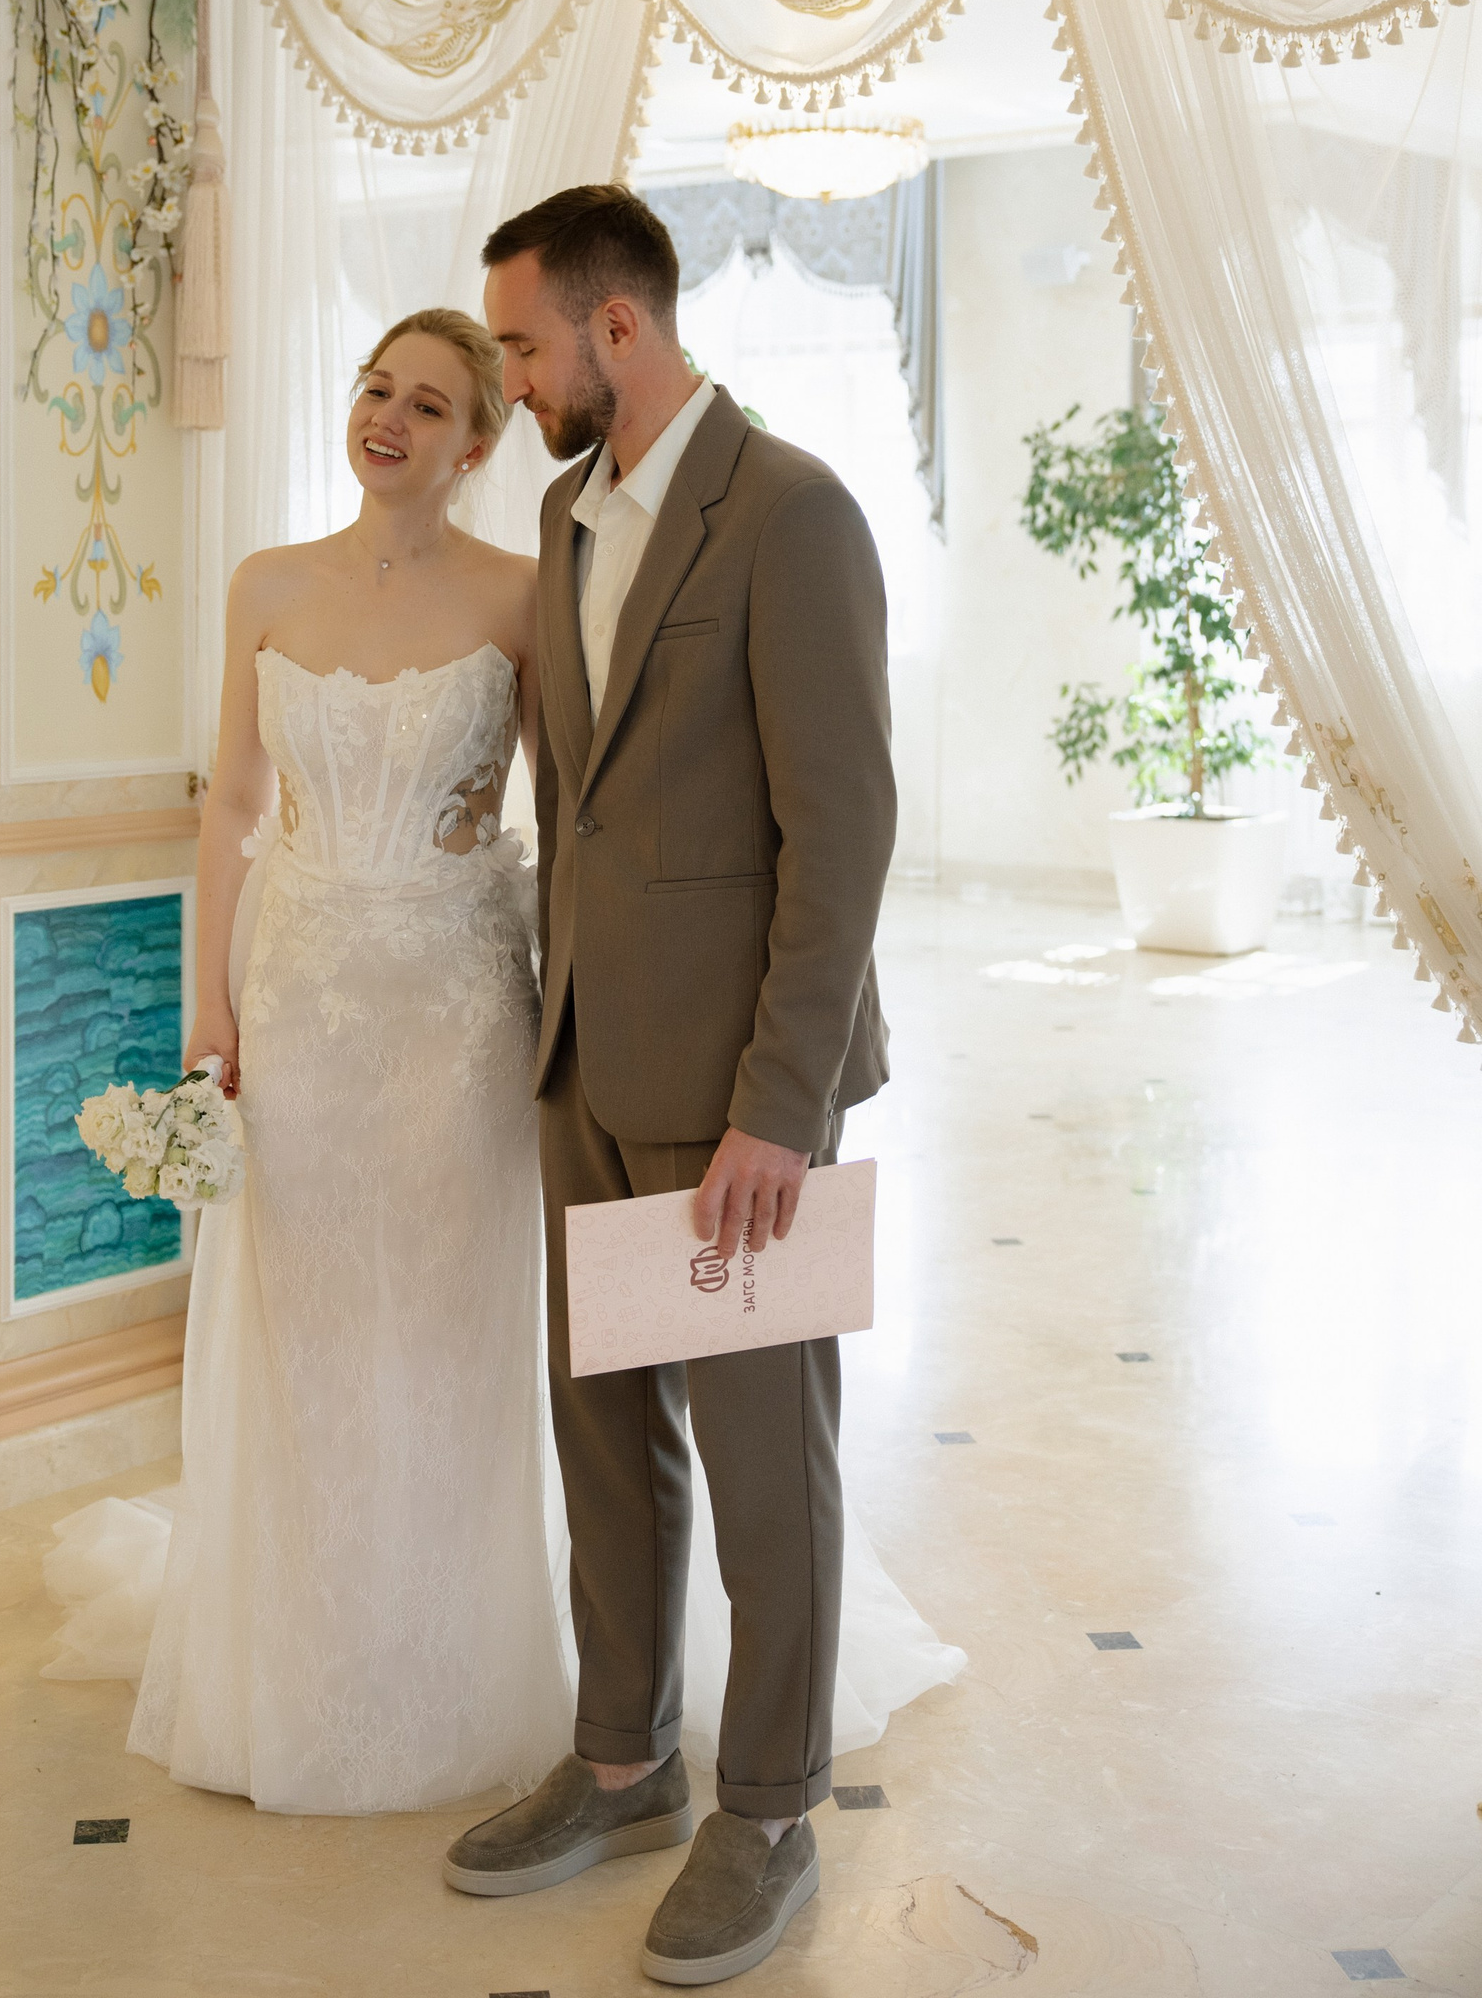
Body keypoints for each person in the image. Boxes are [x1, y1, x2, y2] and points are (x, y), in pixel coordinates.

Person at [454, 185, 898, 1986]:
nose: (511, 383)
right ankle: (625, 1762)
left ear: (616, 327)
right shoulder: (563, 515)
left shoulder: (792, 512)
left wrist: (782, 1103)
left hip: (737, 1088)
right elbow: (581, 805)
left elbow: (843, 834)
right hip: (584, 1059)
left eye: (522, 347)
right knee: (607, 1439)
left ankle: (770, 1811)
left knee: (764, 1460)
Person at [53, 307, 574, 1812]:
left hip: (459, 1013)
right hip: (294, 1001)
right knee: (310, 1329)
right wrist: (209, 1006)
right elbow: (230, 806)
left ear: (478, 443)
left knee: (445, 1333)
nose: (387, 419)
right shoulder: (267, 584)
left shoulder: (525, 596)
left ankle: (448, 1669)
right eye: (374, 389)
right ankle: (304, 1662)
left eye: (429, 405)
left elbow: (568, 810)